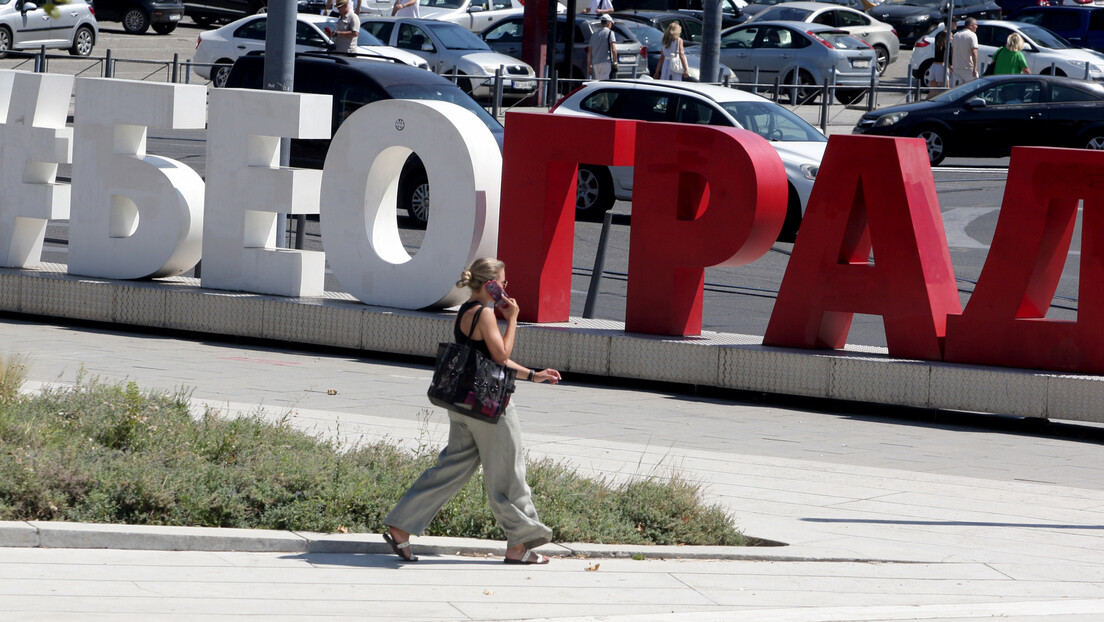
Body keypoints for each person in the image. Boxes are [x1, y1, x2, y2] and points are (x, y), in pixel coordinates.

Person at [383, 258, 563, 565]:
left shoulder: (465, 311)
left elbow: (489, 360)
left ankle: (401, 526)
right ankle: (520, 544)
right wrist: (515, 318)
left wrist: (534, 375)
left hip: (463, 405)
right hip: (490, 410)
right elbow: (502, 356)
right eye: (503, 283)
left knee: (450, 470)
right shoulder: (486, 314)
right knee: (509, 475)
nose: (506, 289)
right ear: (489, 284)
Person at [588, 14, 618, 80]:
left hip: (595, 63)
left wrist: (589, 65)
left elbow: (589, 51)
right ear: (609, 23)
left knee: (596, 82)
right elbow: (613, 49)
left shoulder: (594, 34)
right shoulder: (610, 33)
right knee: (604, 81)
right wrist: (615, 62)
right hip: (605, 62)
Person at [950, 18, 979, 86]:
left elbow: (952, 51)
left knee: (958, 90)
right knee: (975, 88)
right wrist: (975, 68)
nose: (977, 27)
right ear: (970, 26)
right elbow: (974, 52)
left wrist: (953, 63)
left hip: (957, 68)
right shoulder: (972, 35)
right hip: (968, 68)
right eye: (976, 25)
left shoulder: (956, 35)